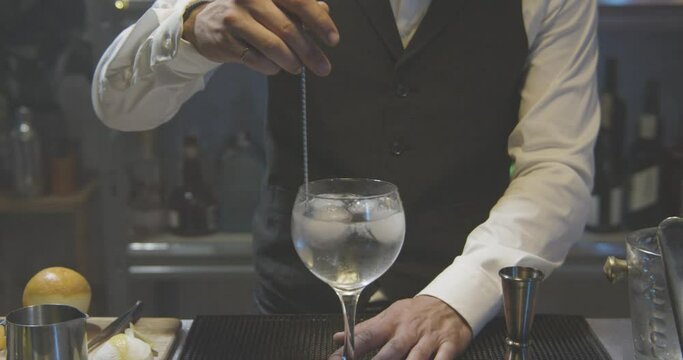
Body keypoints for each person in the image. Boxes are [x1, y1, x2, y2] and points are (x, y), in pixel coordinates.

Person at [92, 0, 599, 358]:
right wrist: (191, 30)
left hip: (467, 323)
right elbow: (117, 105)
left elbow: (556, 163)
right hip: (297, 317)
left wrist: (459, 296)